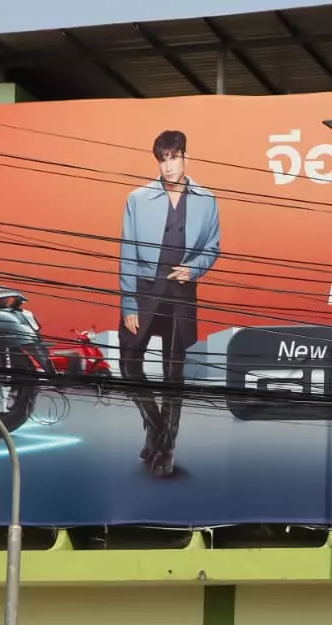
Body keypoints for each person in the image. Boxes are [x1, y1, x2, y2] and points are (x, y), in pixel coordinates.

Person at [119, 129, 221, 477]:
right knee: (128, 365)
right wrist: (129, 303)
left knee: (173, 375)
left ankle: (167, 450)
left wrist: (194, 269)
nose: (169, 166)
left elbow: (213, 247)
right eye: (163, 159)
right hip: (146, 292)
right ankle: (155, 425)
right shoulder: (137, 198)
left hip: (181, 294)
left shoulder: (207, 199)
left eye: (174, 157)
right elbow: (127, 251)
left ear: (185, 158)